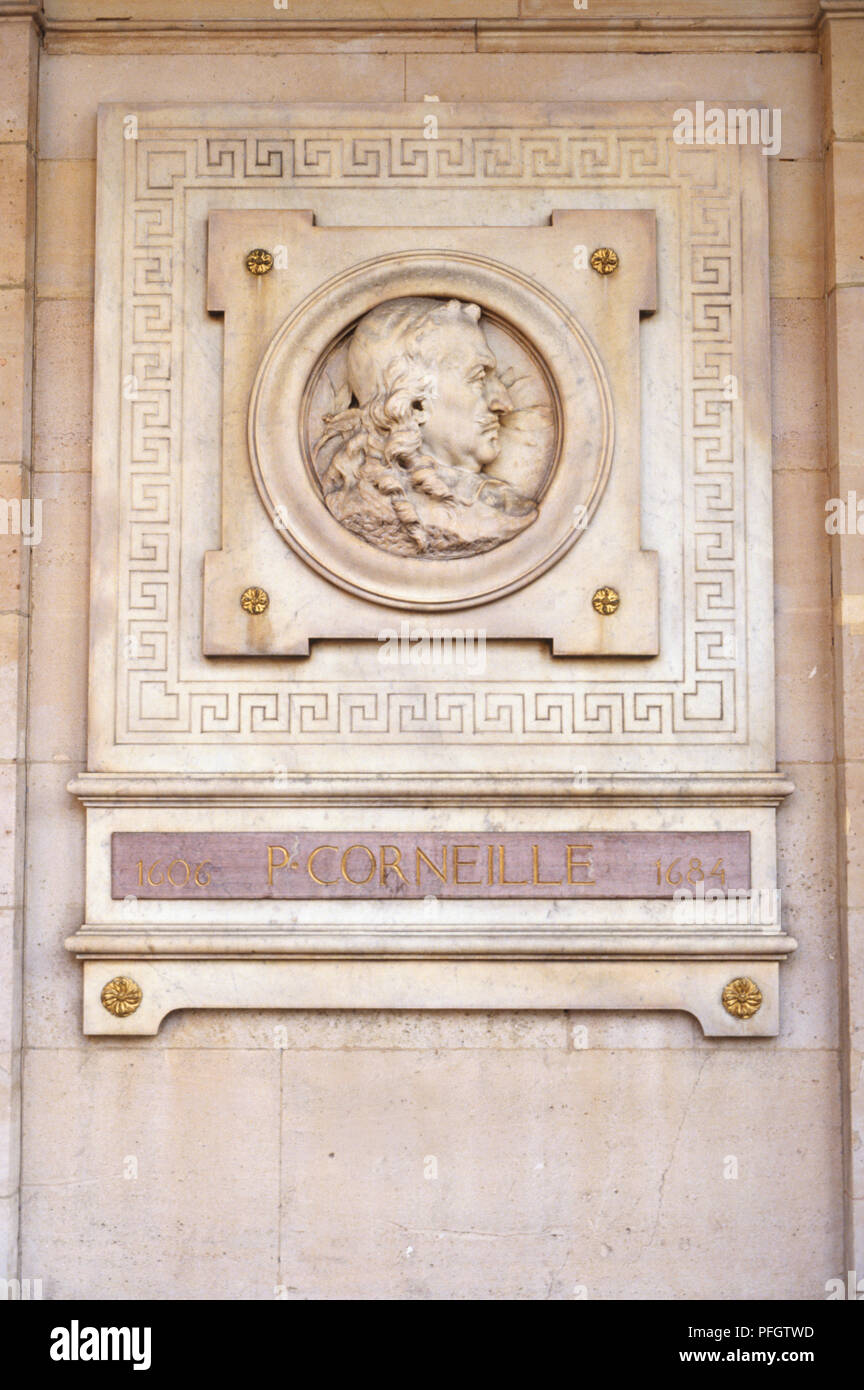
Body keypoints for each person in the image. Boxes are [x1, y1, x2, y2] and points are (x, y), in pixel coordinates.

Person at [313, 296, 539, 558]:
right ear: (417, 404)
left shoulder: (502, 505)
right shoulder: (366, 508)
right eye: (479, 378)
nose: (503, 404)